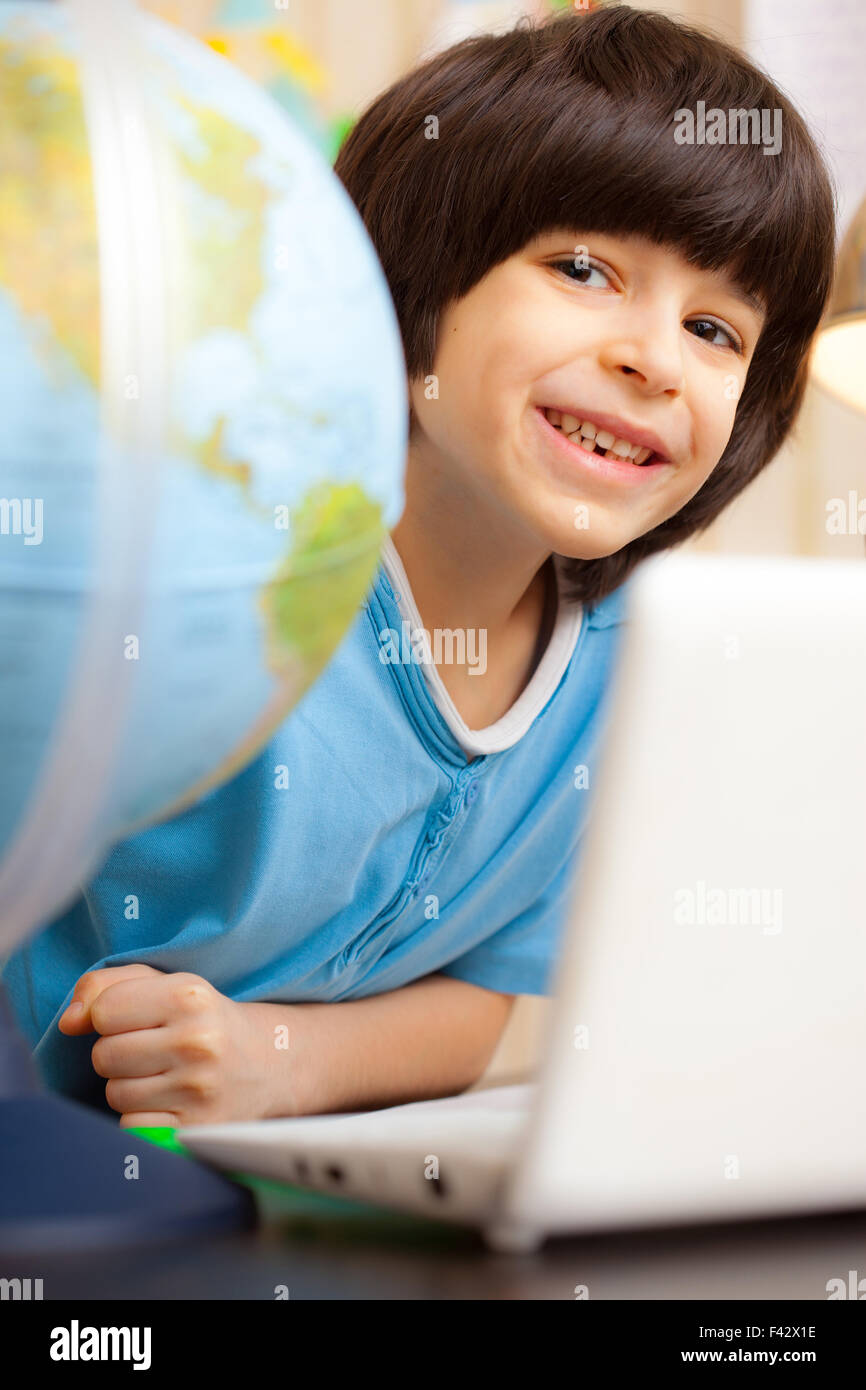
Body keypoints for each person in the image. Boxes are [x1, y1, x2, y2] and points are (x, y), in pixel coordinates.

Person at [1, 4, 836, 1126]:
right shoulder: (217, 550)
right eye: (582, 269)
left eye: (715, 330)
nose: (652, 360)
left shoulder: (633, 659)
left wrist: (278, 1056)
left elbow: (482, 990)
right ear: (406, 284)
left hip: (273, 1189)